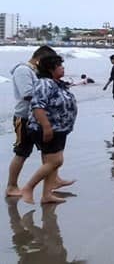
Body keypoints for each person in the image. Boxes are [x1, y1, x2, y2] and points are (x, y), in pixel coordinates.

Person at [20, 55, 78, 204]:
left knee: (50, 162)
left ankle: (47, 195)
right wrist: (46, 127)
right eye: (59, 65)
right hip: (47, 128)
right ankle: (28, 187)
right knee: (56, 161)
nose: (63, 67)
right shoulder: (45, 84)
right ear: (51, 69)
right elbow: (37, 105)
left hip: (59, 129)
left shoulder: (56, 83)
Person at [6, 45, 59, 197]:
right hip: (24, 118)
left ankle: (54, 180)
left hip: (38, 117)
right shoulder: (23, 70)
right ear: (39, 59)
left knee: (49, 152)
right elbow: (27, 93)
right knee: (22, 152)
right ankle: (11, 186)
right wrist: (49, 94)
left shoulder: (35, 72)